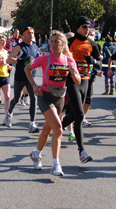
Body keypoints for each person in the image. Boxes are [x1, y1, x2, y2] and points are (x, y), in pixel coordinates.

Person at [28, 31, 81, 176]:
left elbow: (78, 81)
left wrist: (73, 72)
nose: (52, 44)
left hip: (60, 98)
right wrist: (34, 85)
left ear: (63, 44)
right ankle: (55, 164)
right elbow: (28, 68)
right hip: (45, 96)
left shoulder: (69, 60)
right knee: (58, 129)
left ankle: (36, 153)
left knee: (47, 129)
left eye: (56, 41)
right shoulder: (44, 58)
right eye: (51, 41)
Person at [61, 16, 101, 164]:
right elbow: (59, 57)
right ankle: (82, 151)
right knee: (79, 114)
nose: (87, 29)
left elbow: (99, 62)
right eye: (84, 26)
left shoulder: (92, 43)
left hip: (85, 82)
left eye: (89, 27)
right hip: (71, 82)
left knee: (76, 115)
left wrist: (94, 61)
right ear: (77, 27)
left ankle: (57, 127)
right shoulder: (69, 43)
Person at [6, 27, 40, 133]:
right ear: (24, 35)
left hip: (31, 77)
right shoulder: (19, 47)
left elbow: (38, 60)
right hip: (20, 77)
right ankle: (9, 113)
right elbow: (9, 59)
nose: (31, 35)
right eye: (29, 33)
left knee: (33, 99)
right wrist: (21, 60)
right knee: (16, 99)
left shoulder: (35, 47)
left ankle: (32, 123)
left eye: (32, 33)